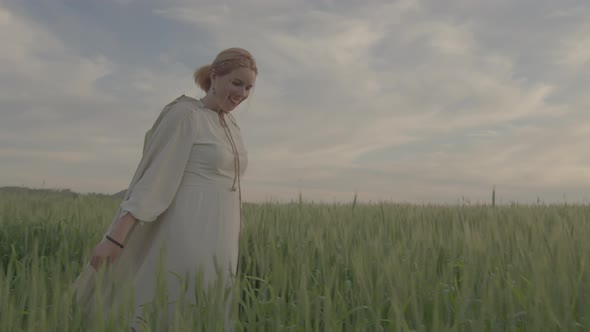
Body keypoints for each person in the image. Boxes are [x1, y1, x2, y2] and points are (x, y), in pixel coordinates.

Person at [71, 47, 257, 330]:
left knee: (210, 305)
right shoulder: (185, 115)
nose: (242, 93)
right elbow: (154, 180)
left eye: (248, 87)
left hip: (222, 234)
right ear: (215, 76)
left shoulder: (231, 124)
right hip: (187, 229)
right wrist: (114, 239)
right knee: (173, 301)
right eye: (237, 83)